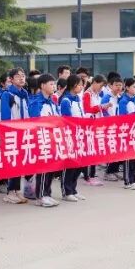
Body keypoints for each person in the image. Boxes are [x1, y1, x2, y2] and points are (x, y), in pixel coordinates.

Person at [0, 68, 30, 204]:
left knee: (20, 163)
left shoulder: (24, 94)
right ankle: (10, 192)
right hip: (12, 133)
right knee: (13, 162)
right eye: (17, 76)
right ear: (11, 79)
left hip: (23, 133)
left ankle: (17, 190)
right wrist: (7, 133)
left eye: (23, 75)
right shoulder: (7, 95)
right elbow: (5, 116)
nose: (21, 78)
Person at [28, 74, 61, 207]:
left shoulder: (53, 102)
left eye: (54, 84)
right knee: (43, 168)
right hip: (41, 139)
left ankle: (47, 193)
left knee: (51, 168)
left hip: (53, 139)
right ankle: (40, 196)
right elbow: (34, 121)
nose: (54, 86)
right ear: (42, 86)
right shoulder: (36, 102)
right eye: (51, 84)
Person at [58, 74, 88, 202]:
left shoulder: (77, 99)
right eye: (80, 84)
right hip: (70, 136)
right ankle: (66, 191)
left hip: (80, 135)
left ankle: (73, 189)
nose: (81, 87)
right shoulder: (66, 100)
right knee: (69, 164)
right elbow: (67, 120)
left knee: (78, 164)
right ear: (73, 85)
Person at [117, 78, 135, 190]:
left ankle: (134, 179)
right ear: (127, 87)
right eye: (134, 87)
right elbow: (123, 118)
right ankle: (128, 181)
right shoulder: (123, 101)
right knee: (129, 157)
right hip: (128, 132)